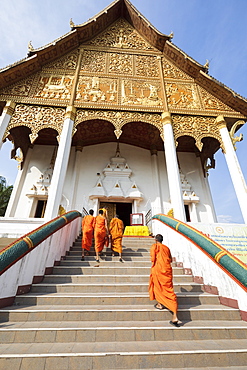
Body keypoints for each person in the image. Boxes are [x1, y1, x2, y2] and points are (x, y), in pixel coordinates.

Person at [149, 234, 180, 327]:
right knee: (169, 290)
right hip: (167, 270)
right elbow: (170, 259)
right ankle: (174, 313)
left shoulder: (154, 247)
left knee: (158, 287)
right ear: (162, 240)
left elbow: (153, 259)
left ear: (155, 239)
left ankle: (160, 304)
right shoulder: (166, 248)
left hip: (158, 269)